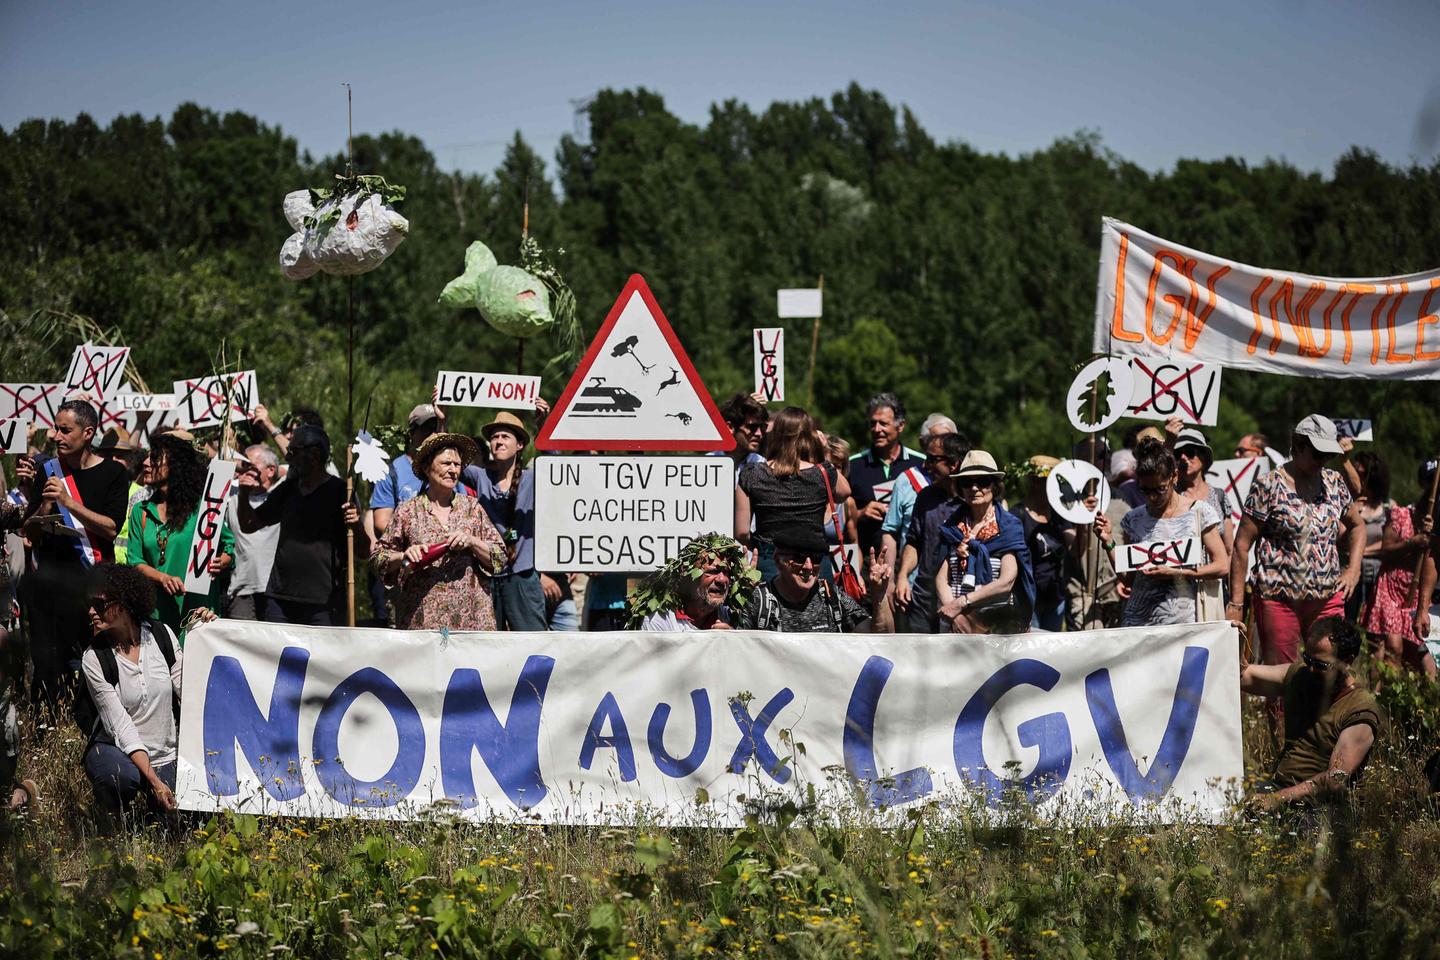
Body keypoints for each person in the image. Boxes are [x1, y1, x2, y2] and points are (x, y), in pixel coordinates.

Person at [15, 399, 130, 716]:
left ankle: (95, 724)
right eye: (55, 428)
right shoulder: (48, 471)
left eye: (65, 430)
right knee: (47, 663)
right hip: (50, 585)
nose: (56, 435)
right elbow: (29, 532)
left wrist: (70, 502)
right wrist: (47, 509)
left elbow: (110, 528)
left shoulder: (113, 475)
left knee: (96, 659)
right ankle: (45, 726)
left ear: (88, 432)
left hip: (92, 585)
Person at [79, 563, 215, 828]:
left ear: (126, 602)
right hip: (119, 751)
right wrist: (155, 782)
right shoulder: (93, 658)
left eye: (99, 603)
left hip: (168, 754)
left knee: (189, 826)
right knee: (117, 776)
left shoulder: (162, 635)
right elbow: (121, 727)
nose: (91, 611)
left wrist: (207, 635)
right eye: (89, 603)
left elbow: (191, 693)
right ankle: (113, 821)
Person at [1229, 416, 1365, 674]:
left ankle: (1324, 715)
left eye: (1328, 455)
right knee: (1283, 676)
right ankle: (1281, 716)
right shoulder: (1268, 485)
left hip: (1327, 596)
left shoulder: (1334, 483)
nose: (1322, 461)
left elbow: (1357, 526)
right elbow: (1241, 546)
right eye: (1317, 454)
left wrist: (1353, 569)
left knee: (1333, 670)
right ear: (1298, 445)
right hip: (1279, 599)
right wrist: (1236, 605)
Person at [1240, 617, 1385, 810]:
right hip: (1279, 790)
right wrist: (1236, 644)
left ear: (1348, 661)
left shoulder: (1360, 708)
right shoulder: (1301, 676)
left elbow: (1335, 779)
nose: (1310, 669)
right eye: (1307, 659)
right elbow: (1242, 677)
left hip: (1324, 807)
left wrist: (1275, 799)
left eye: (1321, 665)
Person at [373, 433, 506, 630]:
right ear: (427, 468)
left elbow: (500, 557)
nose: (453, 470)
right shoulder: (408, 511)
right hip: (422, 624)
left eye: (457, 464)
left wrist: (472, 542)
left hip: (471, 624)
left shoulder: (472, 508)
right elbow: (378, 559)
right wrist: (403, 556)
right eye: (446, 463)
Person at [1096, 438, 1229, 627]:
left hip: (1183, 623)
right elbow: (1128, 578)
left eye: (1160, 489)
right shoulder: (1133, 519)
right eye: (1145, 490)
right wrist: (1108, 541)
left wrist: (1177, 572)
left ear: (1174, 477)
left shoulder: (1199, 512)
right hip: (1139, 623)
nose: (1152, 496)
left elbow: (1222, 566)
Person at [237, 424, 360, 625]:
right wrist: (243, 495)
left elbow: (363, 550)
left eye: (293, 452)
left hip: (324, 603)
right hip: (280, 600)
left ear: (314, 454)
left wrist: (357, 526)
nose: (288, 458)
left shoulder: (341, 492)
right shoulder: (288, 490)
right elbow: (249, 524)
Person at [125, 431, 234, 635]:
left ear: (175, 465)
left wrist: (224, 559)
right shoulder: (141, 511)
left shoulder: (205, 509)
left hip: (198, 616)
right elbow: (134, 561)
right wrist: (162, 578)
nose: (146, 463)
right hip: (156, 617)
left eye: (155, 457)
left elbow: (228, 546)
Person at [461, 411, 555, 631]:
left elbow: (554, 465)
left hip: (522, 576)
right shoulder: (481, 477)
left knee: (533, 645)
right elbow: (449, 460)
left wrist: (543, 426)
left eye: (505, 436)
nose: (498, 441)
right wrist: (442, 421)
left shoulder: (532, 478)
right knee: (489, 647)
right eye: (494, 437)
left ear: (520, 445)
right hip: (488, 577)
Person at [735, 407, 850, 580]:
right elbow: (844, 492)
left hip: (770, 560)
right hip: (815, 562)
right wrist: (824, 453)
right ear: (810, 437)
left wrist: (761, 547)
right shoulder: (821, 472)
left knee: (770, 606)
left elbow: (742, 532)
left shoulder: (752, 473)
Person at [932, 451, 1036, 634]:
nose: (974, 488)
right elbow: (941, 578)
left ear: (994, 486)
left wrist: (962, 602)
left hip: (997, 624)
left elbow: (1007, 581)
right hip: (955, 624)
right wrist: (955, 615)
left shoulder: (1008, 527)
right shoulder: (951, 528)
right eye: (967, 482)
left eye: (982, 481)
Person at [734, 526, 891, 632]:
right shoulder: (759, 601)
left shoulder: (833, 598)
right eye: (799, 558)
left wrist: (879, 596)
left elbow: (879, 638)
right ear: (777, 560)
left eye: (816, 559)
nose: (808, 566)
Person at [1365, 461, 1438, 678]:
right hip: (1390, 586)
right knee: (1392, 646)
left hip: (1416, 590)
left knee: (1418, 652)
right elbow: (1385, 550)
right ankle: (1381, 698)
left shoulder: (1436, 524)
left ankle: (1411, 703)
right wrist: (1413, 543)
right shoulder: (1401, 515)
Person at [894, 433, 970, 633]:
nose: (925, 466)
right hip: (922, 602)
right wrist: (902, 576)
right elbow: (913, 542)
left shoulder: (974, 503)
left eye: (932, 459)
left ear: (953, 464)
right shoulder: (925, 497)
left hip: (961, 605)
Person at [879, 414, 961, 585]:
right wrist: (891, 581)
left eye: (949, 438)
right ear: (924, 443)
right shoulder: (906, 480)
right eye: (936, 439)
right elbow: (890, 532)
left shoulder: (972, 489)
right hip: (915, 587)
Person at [848, 393, 925, 556]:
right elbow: (834, 514)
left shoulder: (921, 464)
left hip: (911, 561)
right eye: (872, 423)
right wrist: (860, 513)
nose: (877, 430)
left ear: (901, 425)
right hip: (866, 561)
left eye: (883, 423)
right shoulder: (852, 465)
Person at [628, 534, 756, 630]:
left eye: (727, 572)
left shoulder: (728, 614)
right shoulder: (660, 619)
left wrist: (732, 640)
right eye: (712, 572)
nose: (722, 579)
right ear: (686, 573)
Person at [1066, 437, 1128, 631]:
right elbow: (1075, 551)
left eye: (1109, 453)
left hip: (1116, 593)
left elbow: (1128, 544)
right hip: (1084, 596)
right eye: (1101, 454)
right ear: (1084, 459)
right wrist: (1082, 518)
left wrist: (1126, 580)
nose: (1108, 458)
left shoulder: (1121, 498)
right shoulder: (1066, 500)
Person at [1009, 456, 1074, 631]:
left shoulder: (1059, 515)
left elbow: (1073, 547)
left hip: (1055, 597)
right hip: (1029, 598)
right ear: (1033, 482)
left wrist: (1082, 515)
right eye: (1044, 481)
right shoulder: (1018, 515)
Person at [370, 403, 445, 540]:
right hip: (406, 554)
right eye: (425, 429)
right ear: (411, 433)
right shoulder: (390, 472)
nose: (432, 434)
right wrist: (416, 537)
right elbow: (381, 523)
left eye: (435, 429)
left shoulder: (449, 471)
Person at [225, 445, 281, 621]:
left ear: (271, 470)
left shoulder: (280, 497)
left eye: (252, 466)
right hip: (241, 588)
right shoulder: (231, 496)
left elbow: (294, 469)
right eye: (244, 466)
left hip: (274, 589)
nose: (246, 470)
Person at [1344, 450, 1391, 625]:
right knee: (1348, 622)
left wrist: (1360, 550)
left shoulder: (1388, 507)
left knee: (1374, 626)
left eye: (1362, 474)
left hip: (1377, 576)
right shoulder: (1350, 506)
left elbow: (1390, 543)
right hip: (1351, 574)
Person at [1172, 427, 1234, 558]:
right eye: (1178, 454)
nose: (1183, 458)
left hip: (1215, 575)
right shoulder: (1171, 497)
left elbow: (1229, 551)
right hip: (1181, 576)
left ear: (1203, 457)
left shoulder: (1219, 496)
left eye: (1189, 452)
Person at [715, 391, 769, 480]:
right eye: (752, 427)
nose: (759, 433)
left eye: (763, 427)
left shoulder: (762, 465)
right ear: (730, 427)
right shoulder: (708, 463)